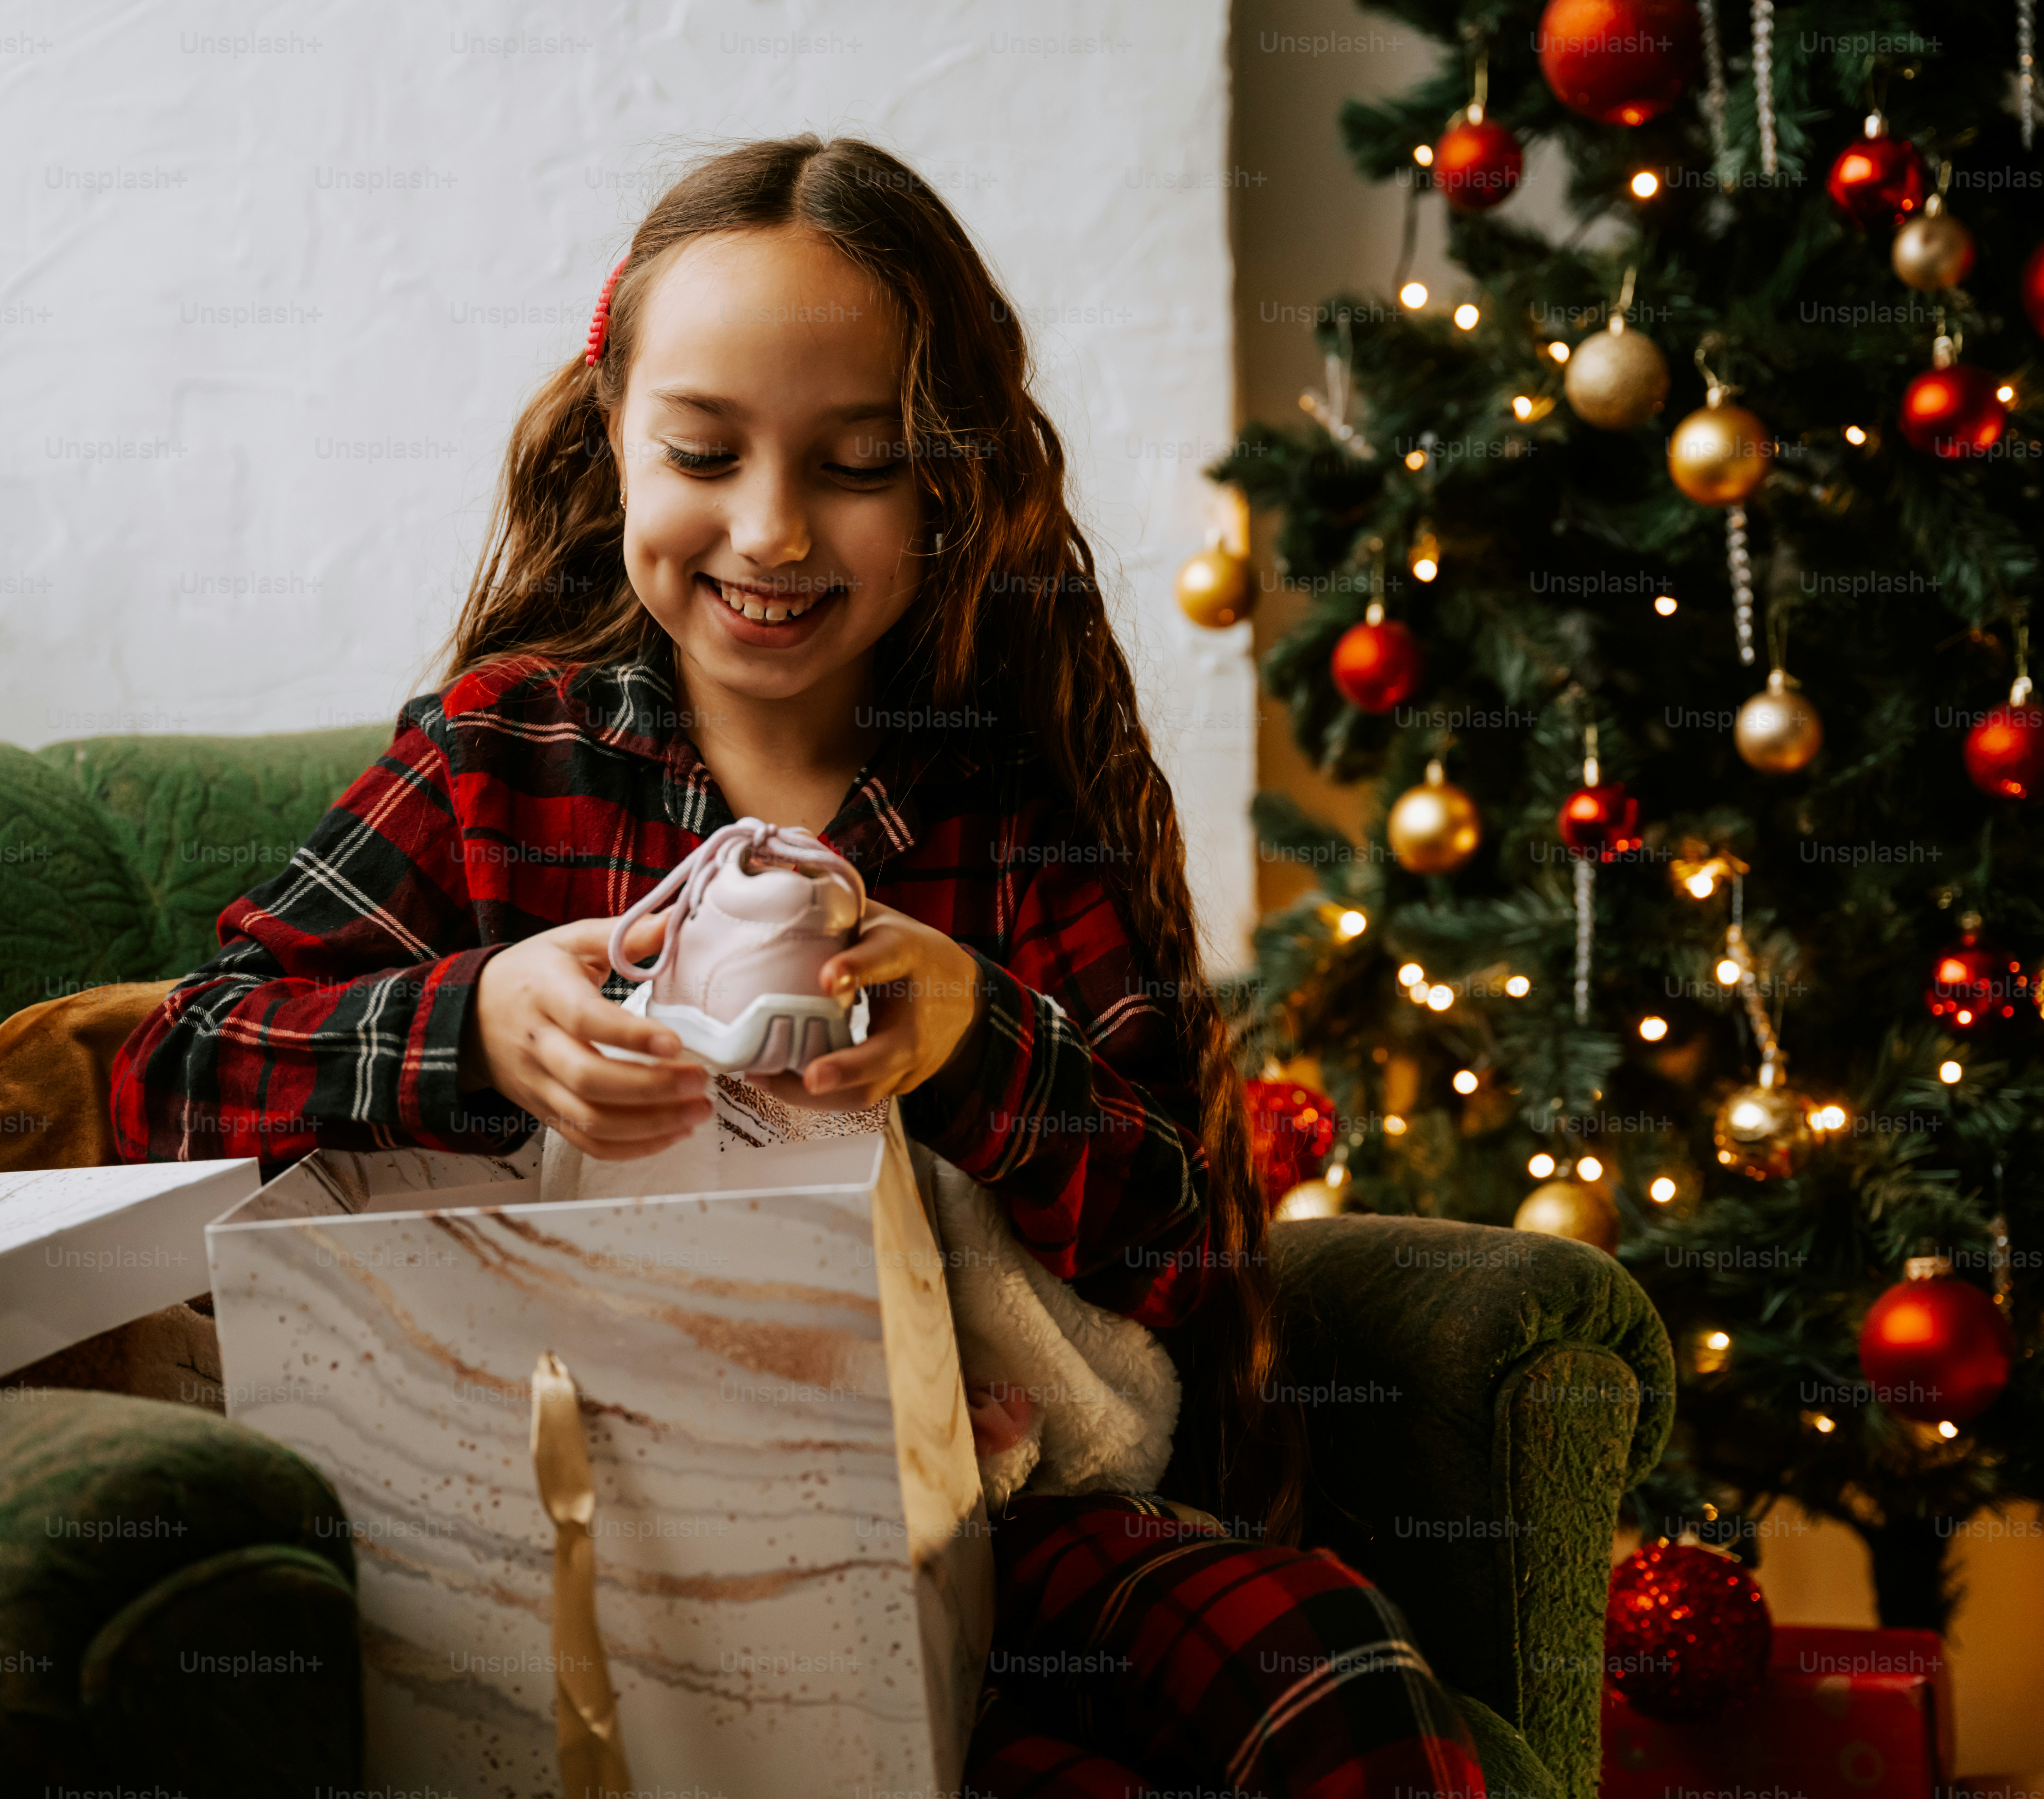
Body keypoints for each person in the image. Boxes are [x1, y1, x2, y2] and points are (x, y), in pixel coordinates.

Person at [111, 134, 1484, 1799]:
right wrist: (471, 1021)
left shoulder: (1012, 803)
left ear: (951, 483)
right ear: (613, 432)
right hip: (600, 1526)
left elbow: (1189, 1275)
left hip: (998, 1511)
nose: (768, 531)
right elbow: (174, 1070)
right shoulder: (498, 761)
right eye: (702, 450)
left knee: (1318, 1661)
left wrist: (985, 1048)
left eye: (858, 463)